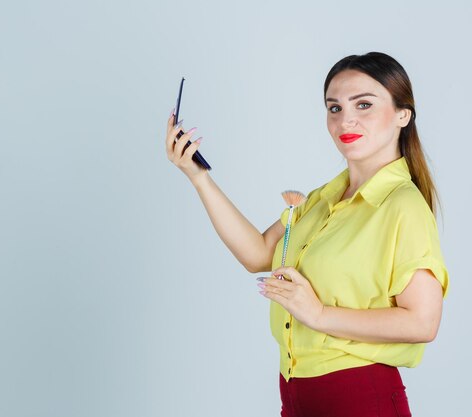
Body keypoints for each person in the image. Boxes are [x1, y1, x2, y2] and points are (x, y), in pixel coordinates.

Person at [165, 51, 449, 417]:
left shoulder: (403, 206)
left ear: (402, 114)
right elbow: (257, 254)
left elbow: (422, 322)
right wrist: (197, 176)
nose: (347, 118)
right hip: (296, 394)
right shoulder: (321, 198)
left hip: (359, 396)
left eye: (364, 104)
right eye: (335, 108)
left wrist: (318, 313)